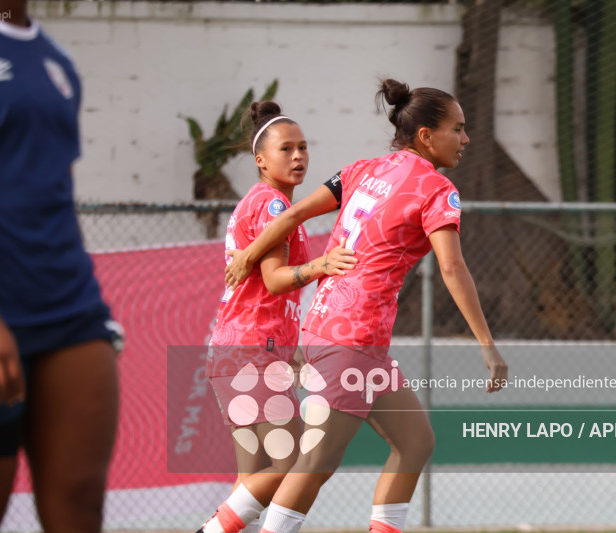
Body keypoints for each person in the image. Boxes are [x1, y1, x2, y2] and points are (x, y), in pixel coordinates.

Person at [223, 79, 509, 533]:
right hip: (351, 340)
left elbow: (294, 214)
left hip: (333, 332)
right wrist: (488, 345)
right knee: (314, 463)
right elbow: (452, 270)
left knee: (415, 443)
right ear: (426, 136)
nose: (466, 139)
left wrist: (249, 253)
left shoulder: (364, 168)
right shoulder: (437, 189)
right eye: (459, 128)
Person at [0, 1, 124, 532]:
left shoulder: (55, 59)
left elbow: (55, 189)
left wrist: (88, 295)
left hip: (70, 311)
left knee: (80, 503)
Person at [197, 102, 356, 533]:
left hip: (241, 349)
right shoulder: (270, 205)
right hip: (251, 350)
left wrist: (290, 349)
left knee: (252, 479)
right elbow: (274, 281)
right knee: (293, 462)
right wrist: (323, 265)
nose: (299, 156)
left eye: (303, 147)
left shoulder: (273, 206)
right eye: (286, 149)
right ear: (261, 160)